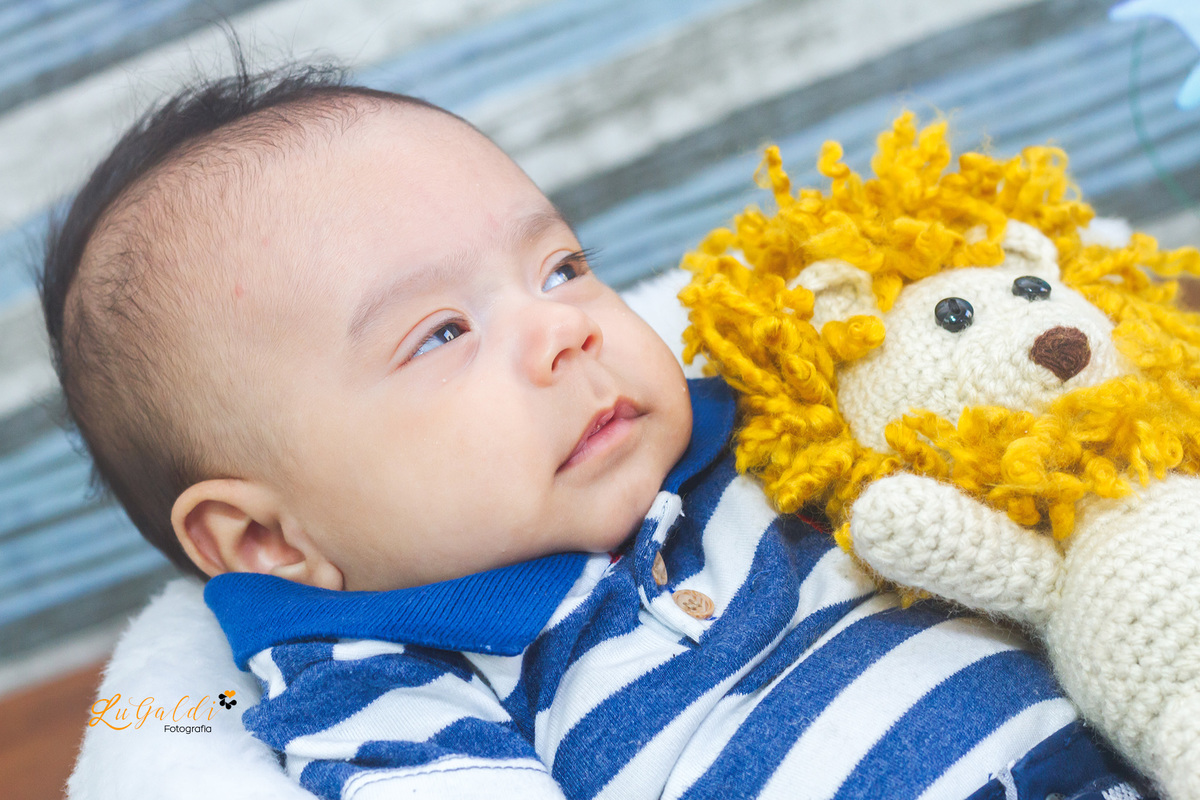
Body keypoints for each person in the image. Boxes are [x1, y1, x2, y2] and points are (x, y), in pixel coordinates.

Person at [40, 65, 1148, 800]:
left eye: (560, 265)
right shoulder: (385, 684)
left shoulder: (761, 438)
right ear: (267, 540)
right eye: (442, 333)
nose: (563, 328)